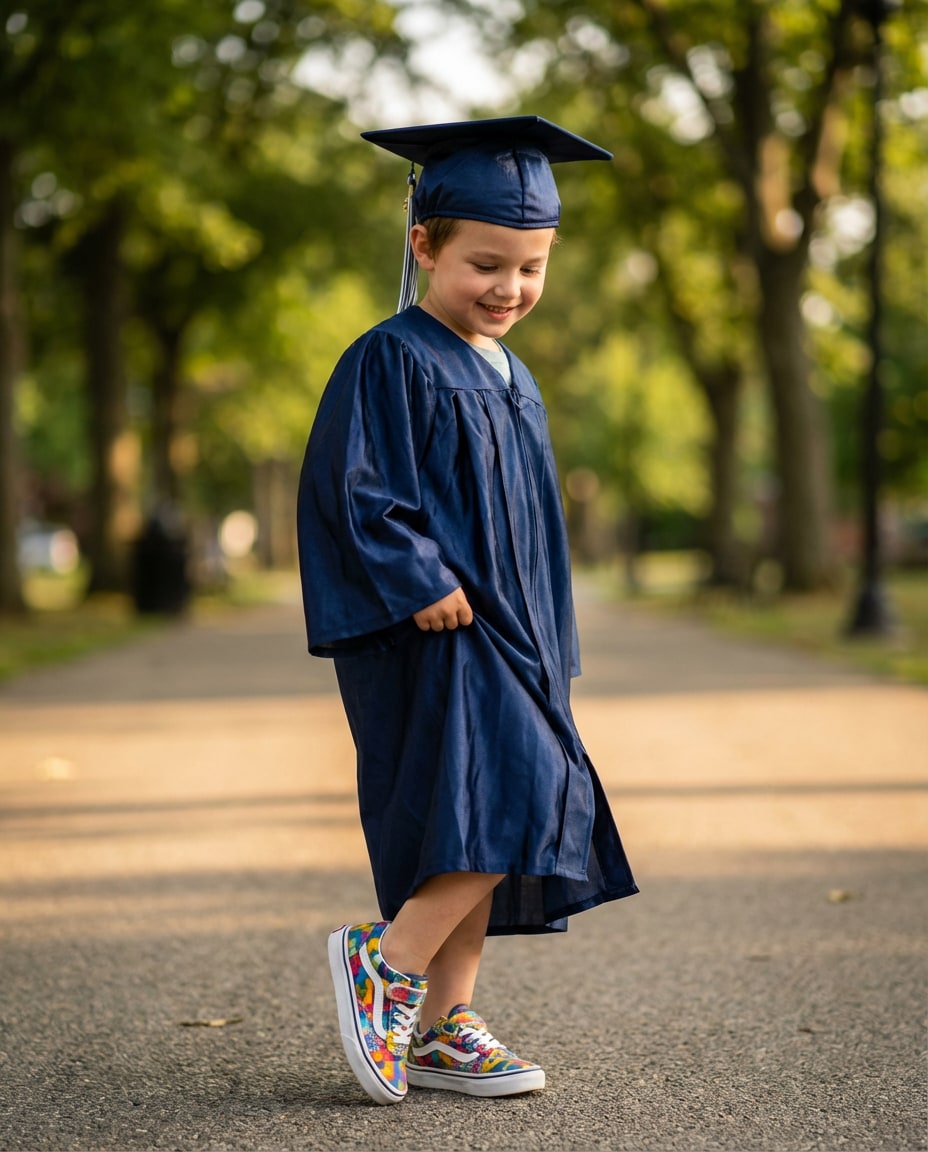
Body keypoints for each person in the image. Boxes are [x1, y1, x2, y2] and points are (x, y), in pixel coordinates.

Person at [296, 116, 638, 1106]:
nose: (510, 289)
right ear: (423, 246)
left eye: (531, 269)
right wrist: (415, 576)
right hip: (435, 632)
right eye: (486, 263)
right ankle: (387, 962)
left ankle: (444, 1024)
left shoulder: (512, 374)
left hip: (514, 635)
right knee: (503, 802)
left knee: (494, 808)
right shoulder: (389, 357)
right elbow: (350, 489)